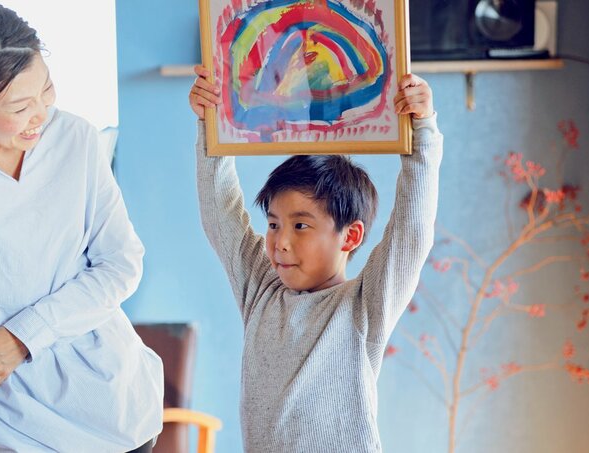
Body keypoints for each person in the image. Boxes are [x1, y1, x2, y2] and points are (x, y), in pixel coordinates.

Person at [188, 64, 443, 452]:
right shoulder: (261, 291)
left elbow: (412, 230)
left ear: (349, 236)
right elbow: (220, 210)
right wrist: (211, 122)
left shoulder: (363, 306)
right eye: (273, 224)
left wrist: (422, 130)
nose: (280, 242)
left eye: (300, 226)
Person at [0, 2, 163, 452]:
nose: (41, 115)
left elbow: (120, 264)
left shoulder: (75, 138)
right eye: (19, 106)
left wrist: (24, 335)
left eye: (46, 89)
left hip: (106, 407)